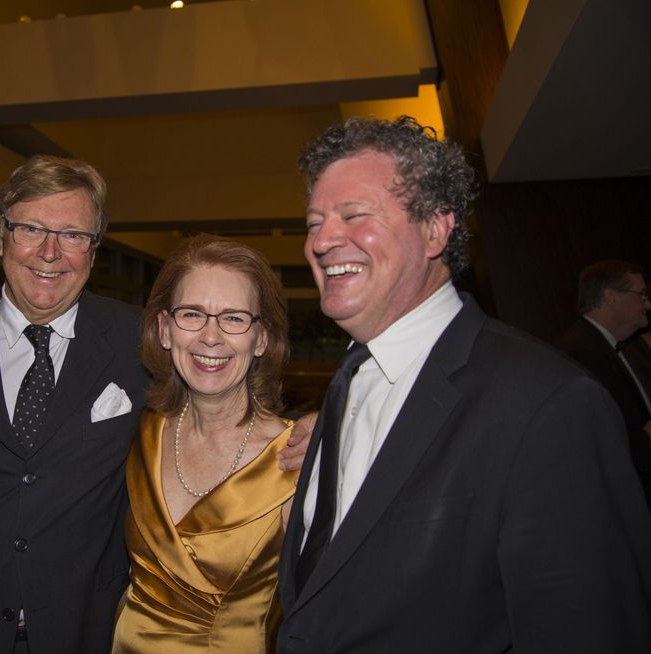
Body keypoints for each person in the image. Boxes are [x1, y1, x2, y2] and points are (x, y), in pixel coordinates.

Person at [276, 116, 651, 653]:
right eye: (314, 223)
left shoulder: (547, 403)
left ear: (435, 229)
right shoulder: (349, 382)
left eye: (354, 215)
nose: (323, 241)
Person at [113, 235, 297, 652]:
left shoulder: (296, 461)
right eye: (192, 314)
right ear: (164, 329)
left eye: (233, 318)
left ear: (262, 338)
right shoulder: (143, 434)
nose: (210, 337)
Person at [557, 260, 651, 507]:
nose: (648, 304)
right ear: (610, 297)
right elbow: (595, 444)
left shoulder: (624, 346)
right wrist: (646, 438)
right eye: (641, 295)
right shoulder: (583, 354)